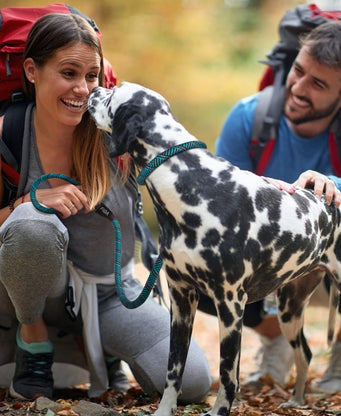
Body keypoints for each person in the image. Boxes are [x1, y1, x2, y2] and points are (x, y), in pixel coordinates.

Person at [0, 13, 211, 402]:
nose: (82, 89)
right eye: (68, 72)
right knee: (32, 224)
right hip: (23, 300)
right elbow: (19, 228)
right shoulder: (7, 133)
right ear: (31, 70)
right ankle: (33, 344)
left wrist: (269, 189)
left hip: (109, 295)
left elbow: (195, 170)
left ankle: (102, 348)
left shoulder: (119, 133)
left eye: (92, 76)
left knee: (193, 383)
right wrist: (23, 203)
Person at [198, 20, 341, 393]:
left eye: (318, 84)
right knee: (202, 272)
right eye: (299, 71)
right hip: (273, 252)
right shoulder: (249, 116)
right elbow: (220, 195)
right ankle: (277, 340)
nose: (298, 88)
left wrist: (331, 187)